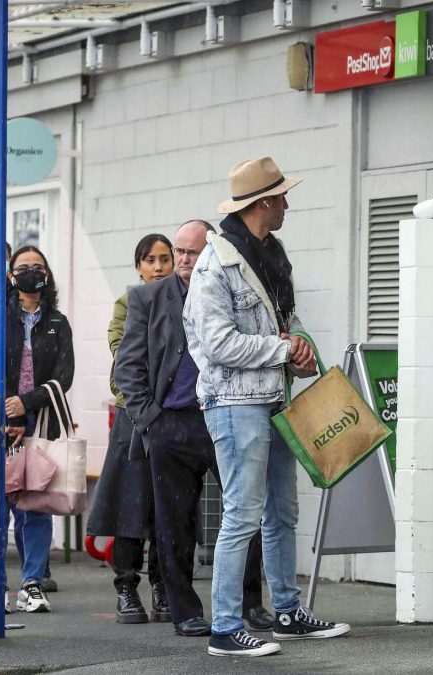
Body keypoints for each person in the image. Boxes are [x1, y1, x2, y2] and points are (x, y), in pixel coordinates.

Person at [184, 157, 350, 657]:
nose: (286, 203)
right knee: (242, 513)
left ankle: (288, 612)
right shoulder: (217, 264)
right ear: (263, 203)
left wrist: (296, 345)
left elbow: (285, 318)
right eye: (281, 195)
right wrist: (283, 349)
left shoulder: (268, 253)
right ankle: (225, 628)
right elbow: (217, 343)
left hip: (272, 398)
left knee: (282, 510)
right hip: (234, 402)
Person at [118, 219, 273, 638]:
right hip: (171, 423)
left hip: (225, 413)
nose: (185, 260)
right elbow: (128, 365)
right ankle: (185, 609)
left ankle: (251, 603)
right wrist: (150, 420)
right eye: (179, 252)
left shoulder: (228, 288)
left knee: (244, 514)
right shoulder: (147, 298)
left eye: (193, 251)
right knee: (175, 524)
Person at [0, 245, 74, 613]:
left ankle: (31, 584)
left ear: (47, 275)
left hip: (40, 421)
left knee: (35, 504)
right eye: (24, 267)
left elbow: (64, 376)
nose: (32, 272)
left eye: (38, 266)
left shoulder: (58, 322)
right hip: (0, 421)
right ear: (11, 276)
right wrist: (9, 416)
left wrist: (26, 405)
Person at [88, 233, 174, 624]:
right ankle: (126, 586)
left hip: (174, 416)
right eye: (150, 260)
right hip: (133, 415)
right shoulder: (128, 303)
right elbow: (125, 355)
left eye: (164, 259)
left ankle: (161, 585)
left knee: (166, 508)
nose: (158, 267)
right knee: (129, 503)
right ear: (138, 266)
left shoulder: (187, 301)